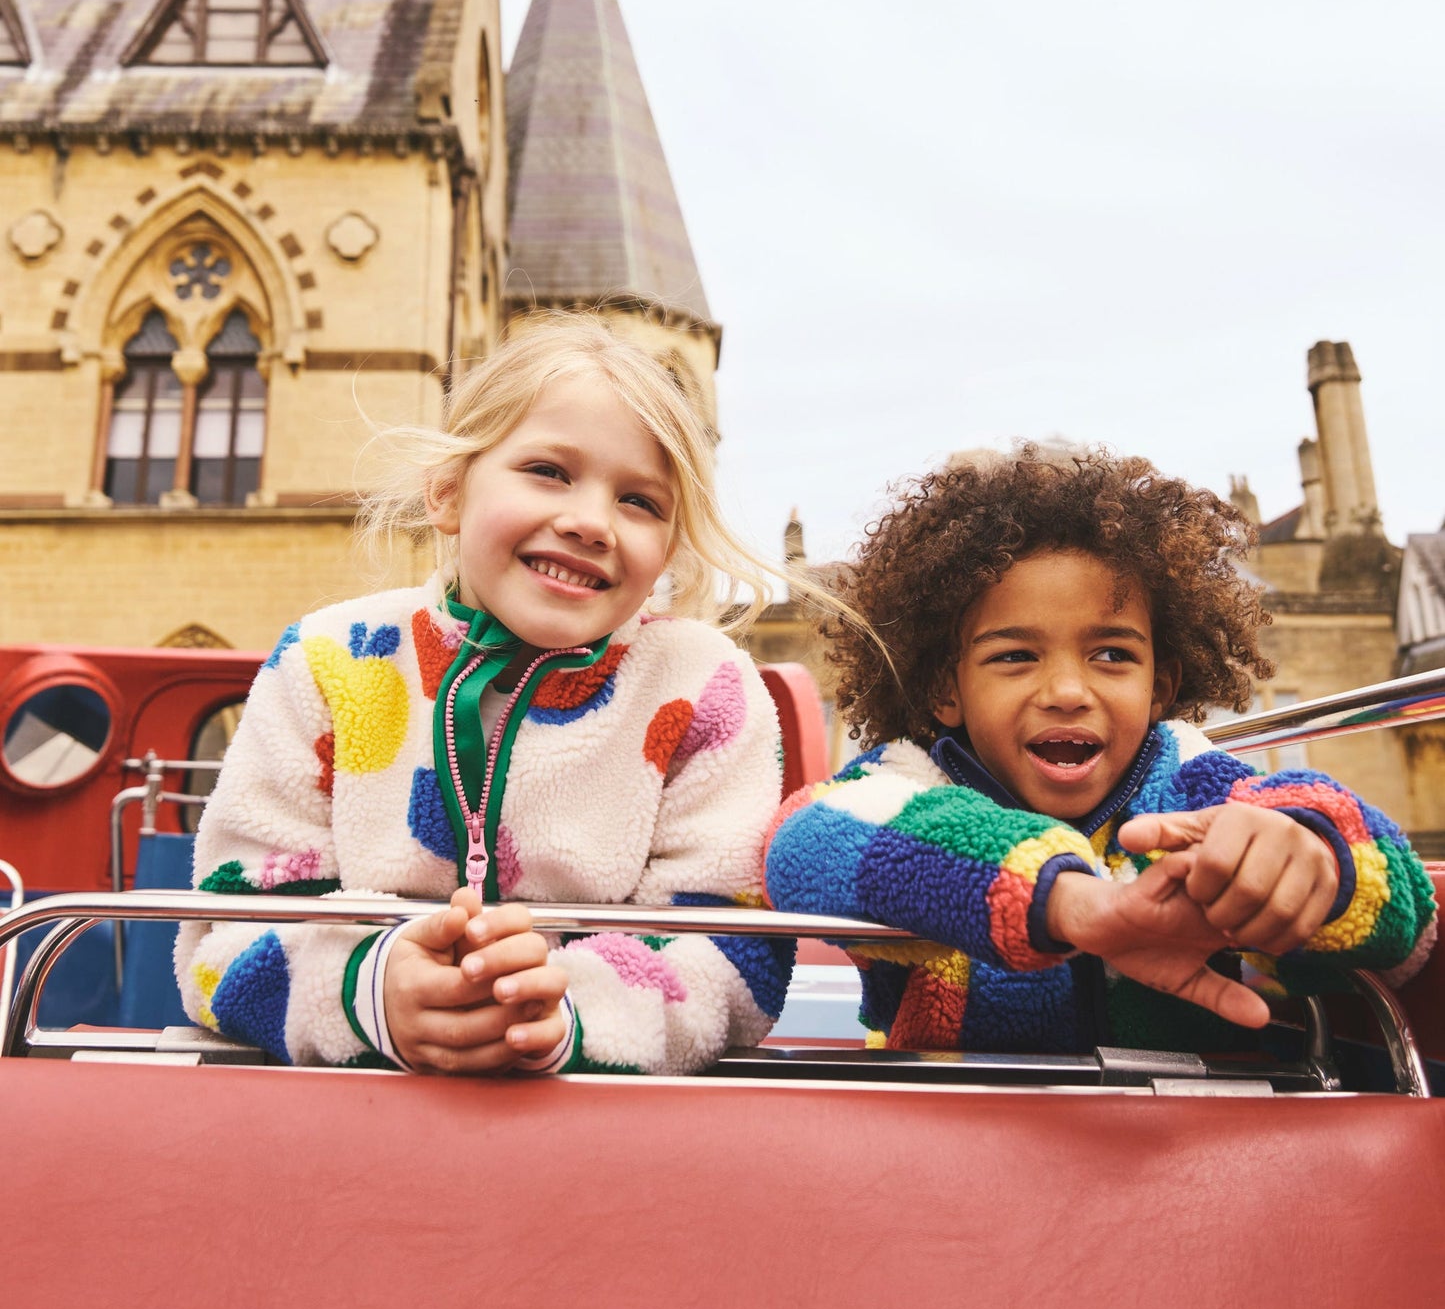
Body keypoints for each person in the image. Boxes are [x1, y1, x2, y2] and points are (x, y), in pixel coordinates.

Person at [176, 315, 798, 1076]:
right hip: (347, 1114)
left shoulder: (704, 689)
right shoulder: (328, 660)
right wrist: (368, 991)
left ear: (669, 547)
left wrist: (567, 1012)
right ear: (447, 492)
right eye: (548, 470)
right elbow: (224, 935)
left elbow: (733, 955)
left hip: (593, 1122)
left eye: (640, 502)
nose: (590, 522)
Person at [764, 449, 1437, 1054]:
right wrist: (1067, 902)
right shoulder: (905, 786)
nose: (1066, 691)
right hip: (956, 1130)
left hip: (1184, 1132)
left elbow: (1406, 913)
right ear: (946, 689)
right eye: (1015, 655)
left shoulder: (1194, 788)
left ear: (1158, 687)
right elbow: (804, 840)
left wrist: (1313, 861)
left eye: (1111, 654)